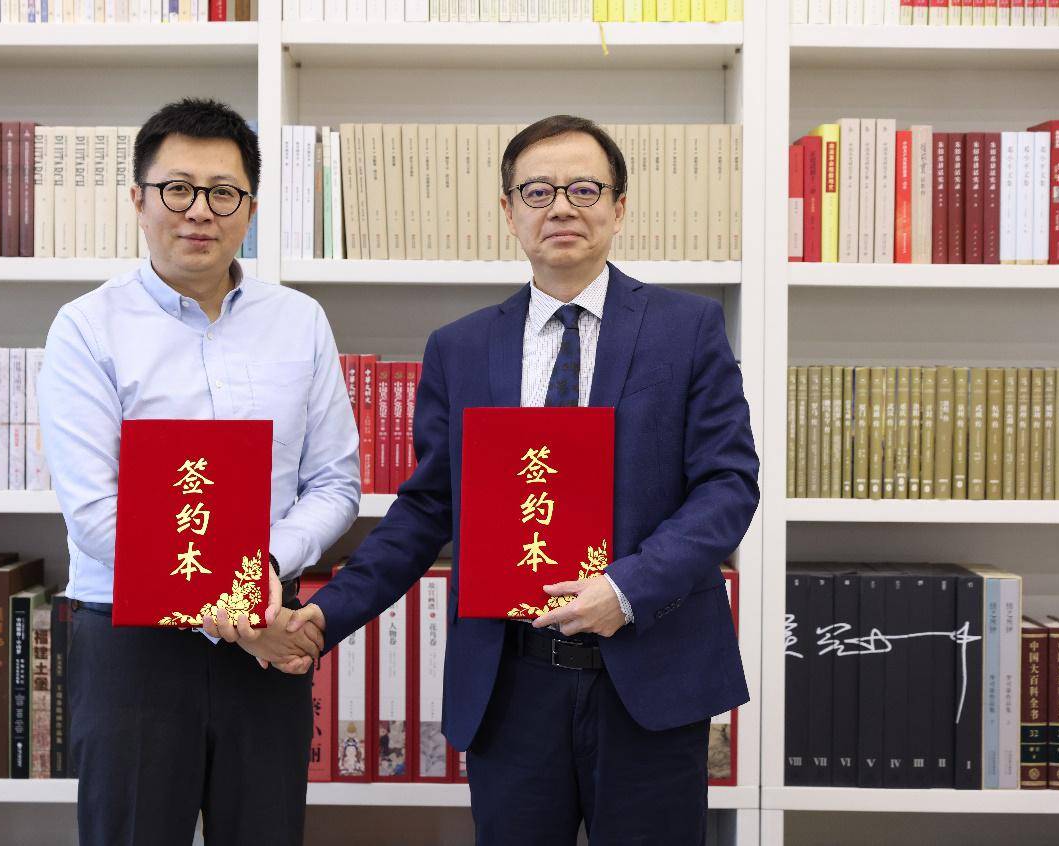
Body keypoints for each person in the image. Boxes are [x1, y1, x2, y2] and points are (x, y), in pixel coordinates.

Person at [281, 114, 759, 844]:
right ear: (508, 212)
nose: (560, 207)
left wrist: (626, 589)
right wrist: (325, 616)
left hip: (650, 673)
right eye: (537, 191)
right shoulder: (461, 348)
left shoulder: (686, 328)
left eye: (583, 189)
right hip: (511, 683)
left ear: (619, 208)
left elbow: (727, 485)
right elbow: (426, 509)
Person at [37, 97, 354, 846]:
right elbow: (95, 513)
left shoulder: (299, 321)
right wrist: (234, 608)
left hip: (266, 636)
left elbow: (335, 483)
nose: (199, 211)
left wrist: (257, 576)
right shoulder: (86, 327)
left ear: (251, 208)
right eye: (177, 189)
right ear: (138, 199)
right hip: (134, 645)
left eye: (223, 192)